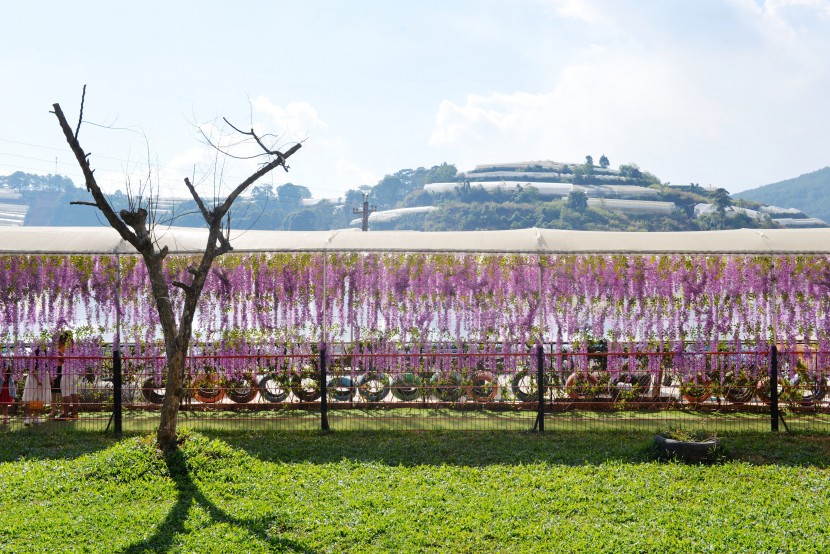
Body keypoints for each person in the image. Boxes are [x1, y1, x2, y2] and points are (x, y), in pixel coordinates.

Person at [22, 348, 50, 425]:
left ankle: (36, 417)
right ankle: (28, 417)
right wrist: (38, 379)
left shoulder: (45, 356)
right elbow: (32, 370)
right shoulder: (33, 355)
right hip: (33, 379)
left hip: (43, 378)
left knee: (39, 398)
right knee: (30, 398)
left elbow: (47, 368)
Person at [55, 331, 80, 420]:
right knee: (74, 392)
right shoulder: (74, 347)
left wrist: (57, 351)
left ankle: (65, 415)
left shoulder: (66, 347)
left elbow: (64, 358)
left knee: (66, 393)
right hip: (75, 373)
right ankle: (75, 414)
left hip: (67, 373)